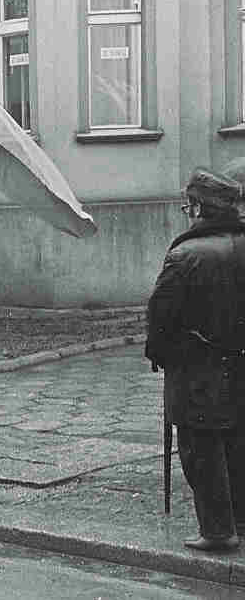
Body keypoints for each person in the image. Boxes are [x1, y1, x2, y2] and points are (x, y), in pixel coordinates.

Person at [146, 166, 245, 553]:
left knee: (199, 446)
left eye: (189, 206)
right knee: (238, 438)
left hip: (197, 368)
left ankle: (218, 531)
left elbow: (161, 315)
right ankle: (239, 517)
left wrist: (158, 352)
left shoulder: (185, 254)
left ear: (201, 207)